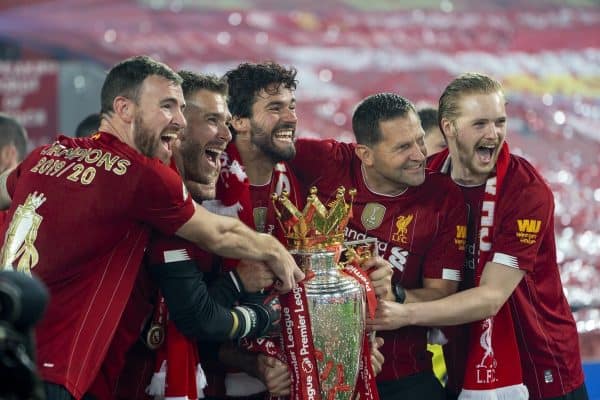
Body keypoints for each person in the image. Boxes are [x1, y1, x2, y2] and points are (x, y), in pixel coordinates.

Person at [0, 55, 303, 400]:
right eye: (168, 106)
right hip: (52, 373)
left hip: (13, 350)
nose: (179, 119)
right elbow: (220, 235)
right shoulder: (142, 175)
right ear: (124, 108)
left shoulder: (46, 155)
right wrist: (275, 251)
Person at [368, 73, 588, 400]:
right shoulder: (426, 180)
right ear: (449, 128)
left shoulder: (525, 190)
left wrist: (404, 312)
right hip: (465, 359)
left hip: (540, 365)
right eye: (480, 123)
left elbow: (491, 297)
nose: (493, 133)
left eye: (500, 122)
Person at [290, 93, 467, 400]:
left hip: (404, 371)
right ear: (365, 154)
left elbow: (442, 295)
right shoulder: (326, 162)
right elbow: (257, 151)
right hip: (319, 368)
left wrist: (395, 294)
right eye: (403, 147)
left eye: (420, 140)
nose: (420, 155)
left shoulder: (443, 198)